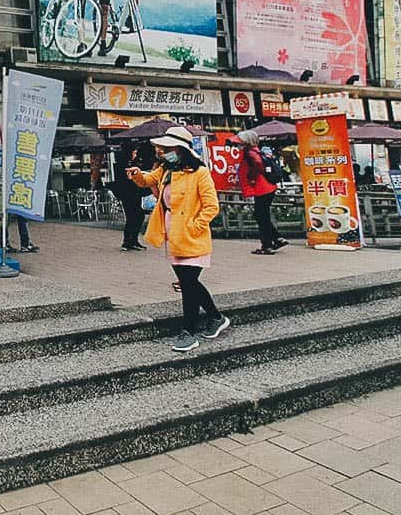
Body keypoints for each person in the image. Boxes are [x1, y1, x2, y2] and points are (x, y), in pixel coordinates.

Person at [127, 126, 228, 353]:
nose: (162, 152)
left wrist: (195, 225)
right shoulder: (166, 170)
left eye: (167, 148)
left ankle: (188, 332)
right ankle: (216, 317)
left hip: (192, 237)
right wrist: (137, 175)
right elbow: (147, 180)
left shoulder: (199, 173)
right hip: (173, 234)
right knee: (189, 283)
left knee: (188, 284)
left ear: (181, 149)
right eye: (162, 148)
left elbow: (212, 206)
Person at [236, 130, 287, 255]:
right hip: (267, 187)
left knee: (261, 217)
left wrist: (252, 176)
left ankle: (267, 245)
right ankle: (276, 239)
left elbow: (258, 164)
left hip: (261, 188)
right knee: (261, 216)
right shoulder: (255, 150)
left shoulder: (250, 153)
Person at [109, 143, 152, 251]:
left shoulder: (133, 163)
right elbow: (125, 179)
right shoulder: (122, 164)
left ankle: (132, 240)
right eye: (134, 152)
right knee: (134, 216)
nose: (135, 154)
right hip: (128, 194)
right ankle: (129, 241)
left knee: (137, 216)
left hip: (134, 193)